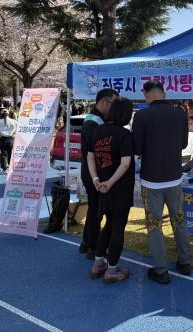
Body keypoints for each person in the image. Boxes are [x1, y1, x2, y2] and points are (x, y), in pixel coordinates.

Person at [132, 81, 191, 284]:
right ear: (163, 94)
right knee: (179, 219)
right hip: (174, 176)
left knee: (154, 224)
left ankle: (161, 269)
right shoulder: (179, 114)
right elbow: (184, 143)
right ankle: (185, 262)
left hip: (151, 180)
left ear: (147, 95)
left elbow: (137, 148)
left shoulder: (141, 116)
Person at [87, 97, 135, 284]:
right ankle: (112, 269)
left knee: (108, 224)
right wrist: (110, 182)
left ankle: (98, 264)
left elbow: (90, 157)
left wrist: (96, 179)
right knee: (118, 227)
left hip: (102, 186)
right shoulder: (124, 134)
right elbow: (125, 163)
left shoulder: (98, 130)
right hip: (119, 187)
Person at [79, 88, 119, 259]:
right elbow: (94, 152)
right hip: (93, 174)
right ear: (104, 102)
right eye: (114, 103)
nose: (115, 108)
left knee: (94, 208)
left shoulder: (95, 120)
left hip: (92, 172)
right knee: (96, 210)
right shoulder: (93, 123)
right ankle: (93, 246)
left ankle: (87, 241)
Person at [0, 109, 18, 174]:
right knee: (10, 153)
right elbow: (18, 128)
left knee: (3, 154)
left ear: (1, 114)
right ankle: (11, 167)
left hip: (2, 139)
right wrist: (14, 134)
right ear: (8, 114)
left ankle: (5, 168)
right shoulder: (13, 121)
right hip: (11, 139)